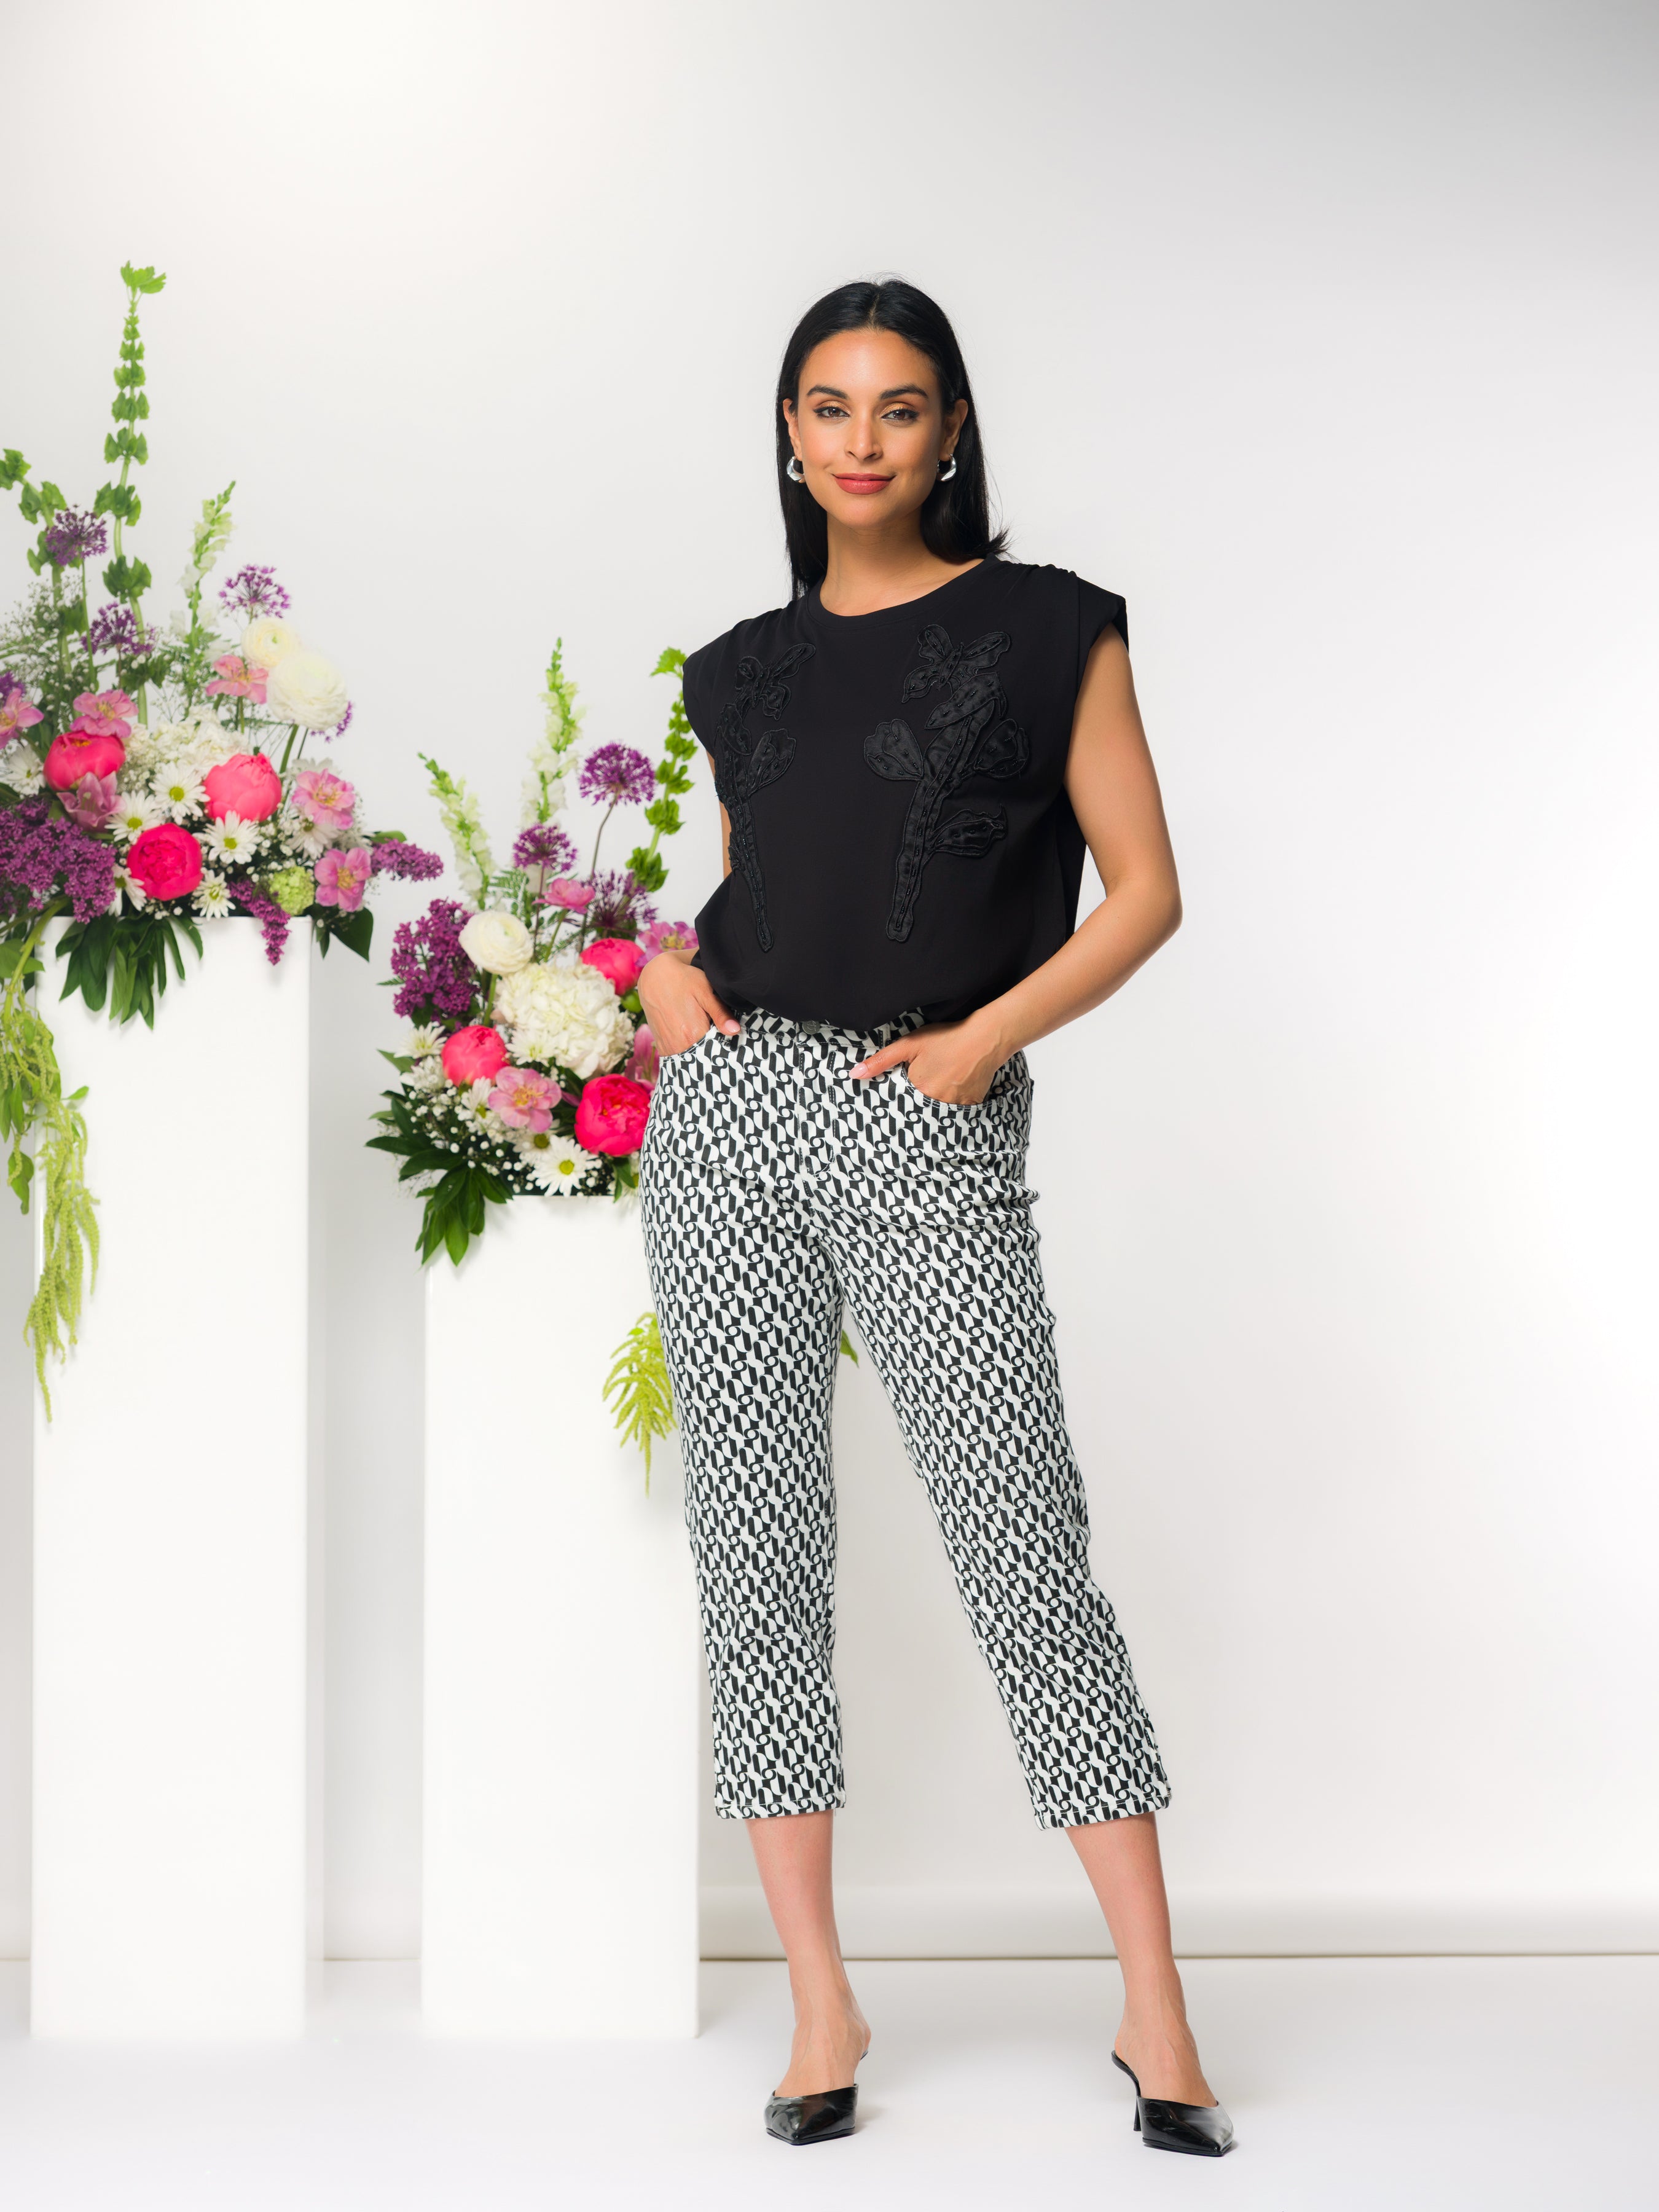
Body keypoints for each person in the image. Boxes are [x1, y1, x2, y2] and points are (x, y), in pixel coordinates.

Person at [635, 278, 1233, 2160]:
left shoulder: (1053, 628)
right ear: (789, 434)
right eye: (828, 407)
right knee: (757, 1563)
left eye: (901, 407)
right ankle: (820, 1999)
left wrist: (983, 1039)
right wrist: (666, 979)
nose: (863, 440)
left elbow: (1139, 891)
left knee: (1021, 1553)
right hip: (729, 1117)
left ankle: (1154, 2009)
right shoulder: (734, 667)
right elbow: (760, 887)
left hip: (927, 1104)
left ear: (950, 427)